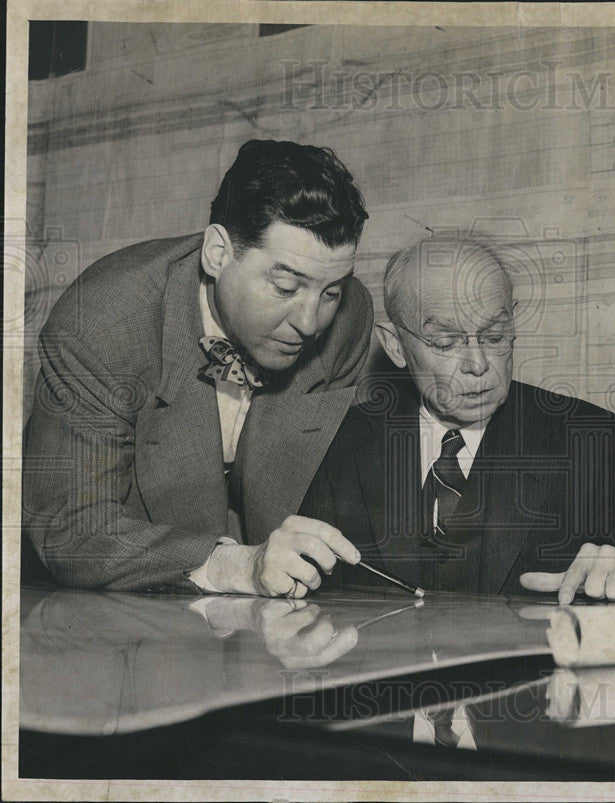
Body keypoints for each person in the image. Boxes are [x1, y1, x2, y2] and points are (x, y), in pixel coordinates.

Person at [23, 139, 373, 596]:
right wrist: (237, 566)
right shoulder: (101, 321)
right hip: (105, 611)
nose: (310, 323)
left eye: (330, 292)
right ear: (217, 253)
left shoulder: (348, 319)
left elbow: (308, 503)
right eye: (286, 286)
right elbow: (71, 528)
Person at [300, 235, 615, 603]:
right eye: (446, 342)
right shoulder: (349, 440)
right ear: (394, 346)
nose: (479, 364)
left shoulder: (589, 439)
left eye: (495, 336)